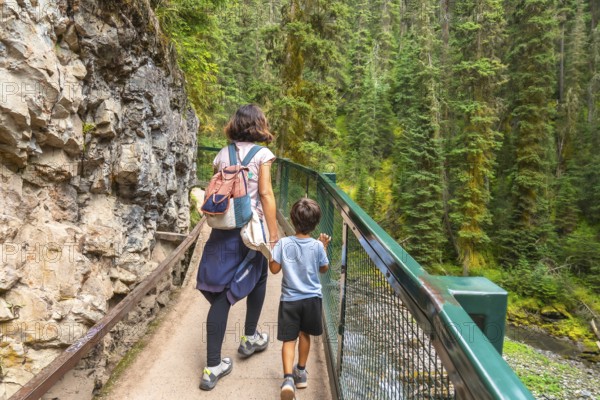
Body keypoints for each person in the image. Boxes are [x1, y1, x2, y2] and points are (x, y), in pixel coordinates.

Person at [196, 104, 279, 391]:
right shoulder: (263, 155)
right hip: (249, 232)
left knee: (226, 286)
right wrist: (274, 235)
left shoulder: (222, 155)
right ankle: (216, 362)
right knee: (231, 293)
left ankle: (247, 339)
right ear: (259, 125)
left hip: (221, 230)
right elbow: (266, 194)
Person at [269, 198, 331, 400]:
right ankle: (301, 373)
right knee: (305, 335)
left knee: (289, 339)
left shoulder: (284, 243)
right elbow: (323, 269)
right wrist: (323, 248)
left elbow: (274, 269)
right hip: (312, 299)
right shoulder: (317, 246)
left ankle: (288, 379)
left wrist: (271, 252)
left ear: (293, 220)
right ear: (315, 224)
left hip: (290, 300)